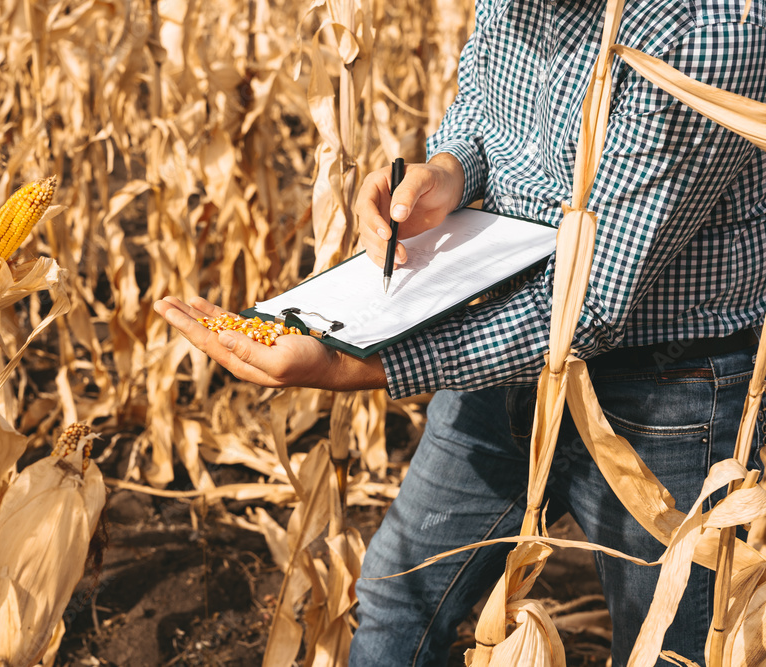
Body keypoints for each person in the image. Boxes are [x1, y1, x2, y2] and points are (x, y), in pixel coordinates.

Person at [155, 0, 766, 663]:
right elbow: (485, 109)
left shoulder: (710, 26)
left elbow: (587, 302)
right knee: (395, 599)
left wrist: (357, 365)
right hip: (499, 352)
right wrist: (444, 172)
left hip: (665, 388)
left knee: (667, 649)